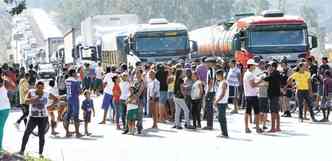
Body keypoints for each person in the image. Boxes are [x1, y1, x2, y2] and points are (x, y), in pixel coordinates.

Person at [19, 81, 58, 157]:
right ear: (35, 87)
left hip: (43, 118)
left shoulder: (46, 94)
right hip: (32, 117)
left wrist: (50, 107)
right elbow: (26, 101)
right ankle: (22, 151)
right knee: (26, 133)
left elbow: (56, 99)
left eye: (41, 88)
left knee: (41, 135)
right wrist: (33, 99)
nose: (40, 89)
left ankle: (40, 153)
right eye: (38, 87)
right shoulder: (31, 92)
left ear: (43, 88)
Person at [243, 59, 263, 133]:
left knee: (247, 112)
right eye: (254, 65)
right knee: (256, 112)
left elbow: (254, 81)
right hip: (252, 95)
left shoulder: (247, 73)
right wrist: (261, 81)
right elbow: (253, 85)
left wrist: (259, 79)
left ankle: (247, 128)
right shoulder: (250, 74)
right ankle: (257, 128)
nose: (255, 66)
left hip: (248, 95)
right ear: (251, 66)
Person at [64, 69, 83, 138]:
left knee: (68, 116)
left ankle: (67, 132)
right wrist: (81, 90)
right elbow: (80, 92)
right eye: (75, 73)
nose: (76, 74)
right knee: (76, 116)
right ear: (72, 74)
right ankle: (77, 133)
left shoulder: (66, 80)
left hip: (69, 99)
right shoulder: (76, 82)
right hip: (75, 99)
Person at [263, 62, 281, 132]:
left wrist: (267, 73)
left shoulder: (274, 74)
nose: (269, 67)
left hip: (273, 95)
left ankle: (273, 128)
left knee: (273, 111)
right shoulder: (277, 73)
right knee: (276, 111)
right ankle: (278, 127)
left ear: (273, 67)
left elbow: (266, 79)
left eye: (270, 66)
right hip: (276, 94)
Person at [214, 69, 229, 138]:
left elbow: (223, 94)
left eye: (217, 76)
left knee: (221, 118)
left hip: (222, 103)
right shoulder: (222, 82)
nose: (216, 77)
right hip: (221, 102)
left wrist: (216, 101)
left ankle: (224, 133)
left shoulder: (224, 82)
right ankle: (223, 132)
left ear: (220, 75)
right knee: (221, 118)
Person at [203, 57, 217, 130]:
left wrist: (207, 92)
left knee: (209, 109)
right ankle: (209, 124)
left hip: (210, 92)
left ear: (211, 63)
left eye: (207, 63)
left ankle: (209, 125)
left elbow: (211, 82)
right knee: (209, 109)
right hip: (211, 91)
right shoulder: (212, 70)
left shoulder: (211, 70)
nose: (206, 64)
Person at [0, 77, 11, 151]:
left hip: (4, 109)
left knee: (0, 128)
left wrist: (6, 79)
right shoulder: (4, 87)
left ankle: (0, 146)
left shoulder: (4, 87)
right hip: (5, 109)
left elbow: (13, 86)